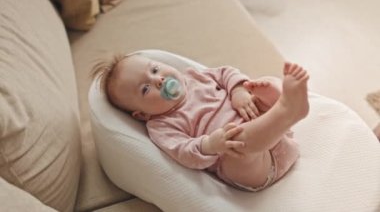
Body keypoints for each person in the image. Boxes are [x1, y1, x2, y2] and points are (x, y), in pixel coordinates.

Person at [91, 52, 310, 191]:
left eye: (155, 69)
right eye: (145, 89)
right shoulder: (161, 125)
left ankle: (280, 104)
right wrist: (211, 145)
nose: (159, 80)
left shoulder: (194, 76)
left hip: (270, 132)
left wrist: (238, 91)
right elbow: (183, 152)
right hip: (257, 167)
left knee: (261, 87)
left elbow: (226, 72)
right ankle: (286, 110)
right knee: (238, 144)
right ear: (141, 114)